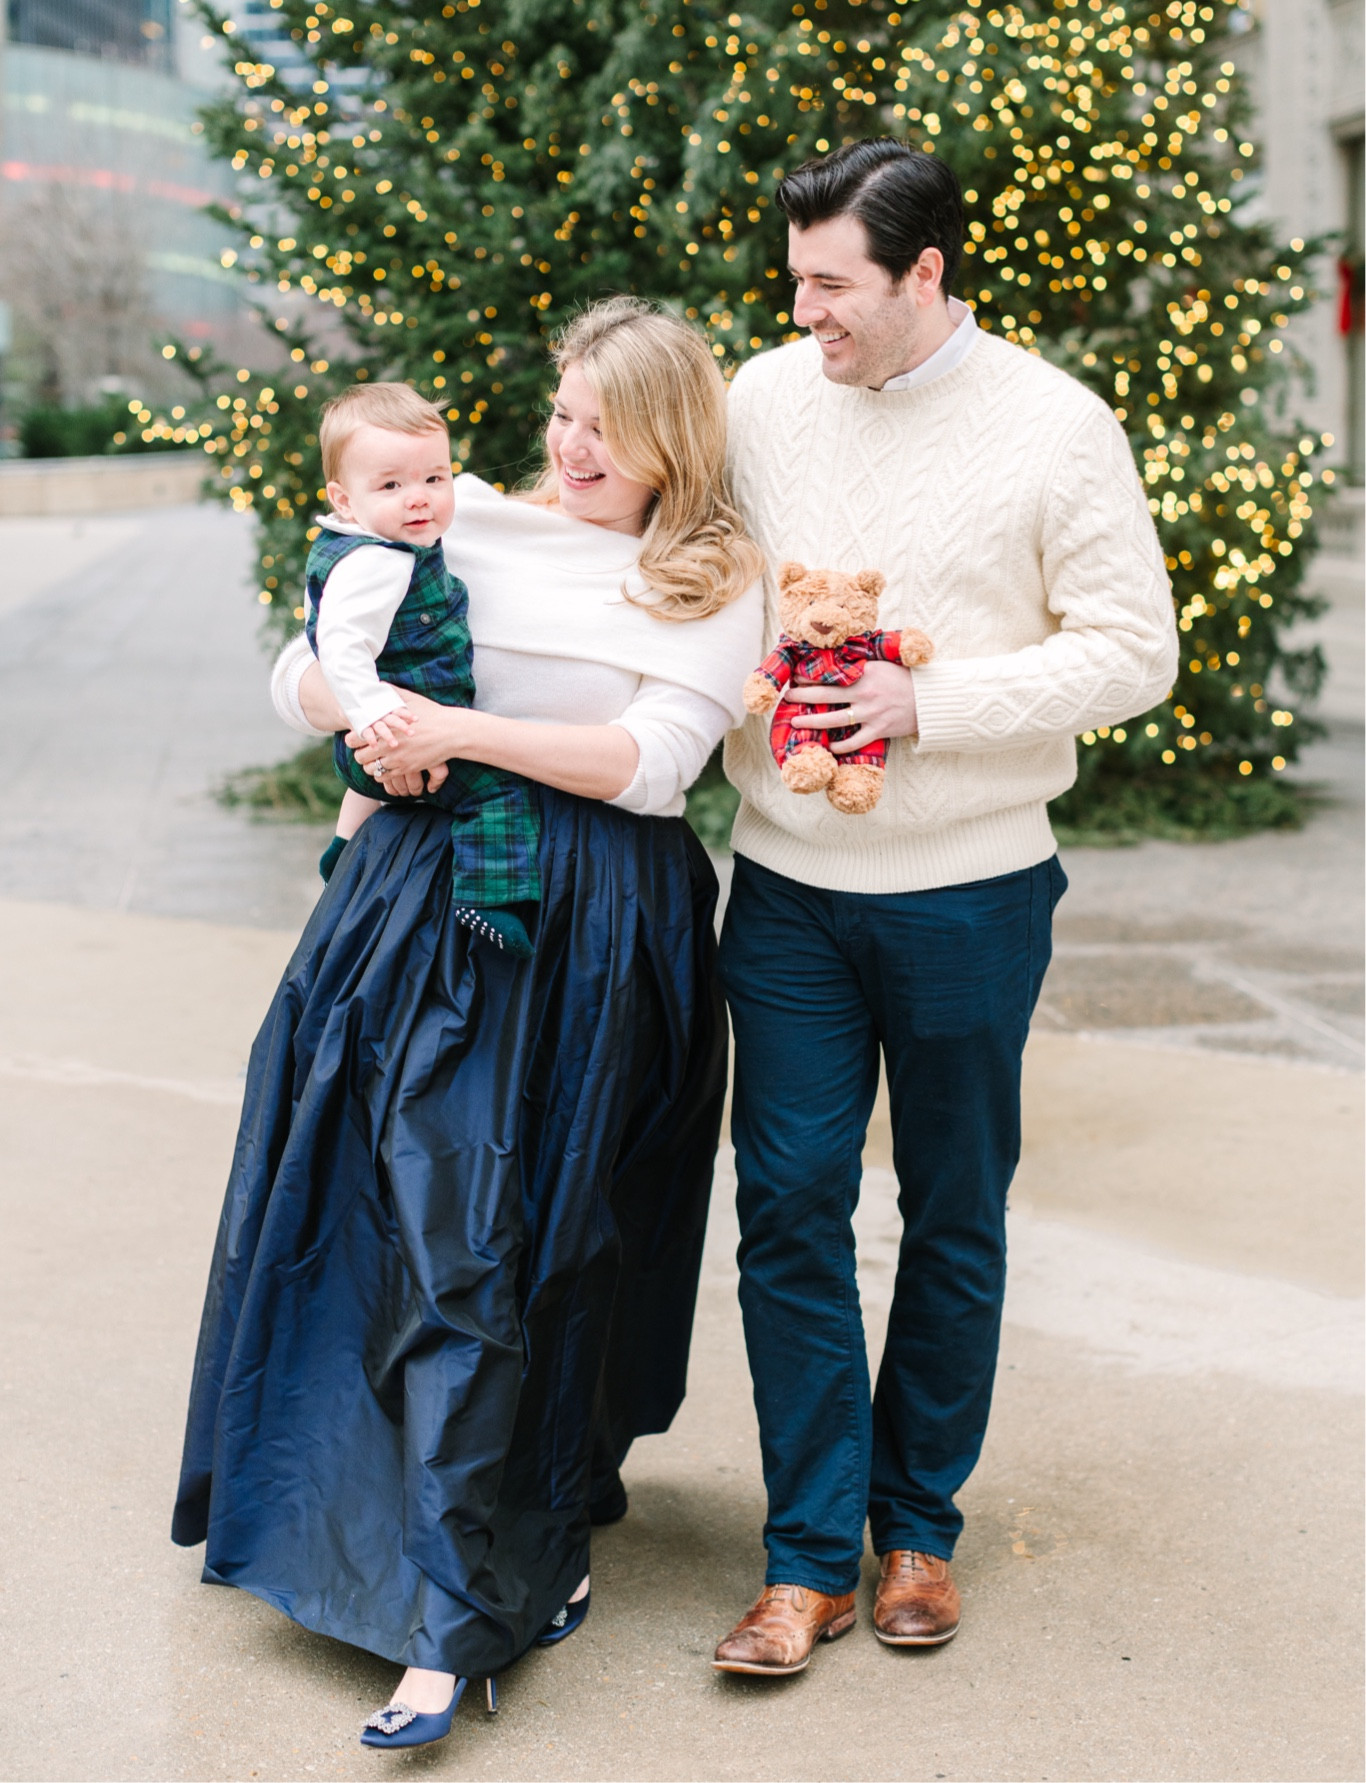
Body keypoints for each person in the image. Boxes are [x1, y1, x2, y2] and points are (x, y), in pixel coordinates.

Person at [172, 297, 764, 1750]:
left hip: (593, 924)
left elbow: (648, 766)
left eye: (602, 429)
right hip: (415, 897)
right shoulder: (467, 518)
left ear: (669, 443)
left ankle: (477, 1581)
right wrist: (355, 709)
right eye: (560, 412)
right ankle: (358, 1509)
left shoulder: (709, 575)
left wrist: (458, 733)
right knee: (384, 1201)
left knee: (524, 1233)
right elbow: (307, 651)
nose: (568, 447)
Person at [713, 139, 1178, 1676]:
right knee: (783, 1207)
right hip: (783, 885)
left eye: (833, 285)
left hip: (970, 892)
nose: (806, 314)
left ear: (923, 273)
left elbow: (1133, 650)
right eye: (794, 282)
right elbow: (669, 557)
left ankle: (915, 1527)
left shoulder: (1054, 424)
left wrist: (934, 701)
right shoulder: (762, 396)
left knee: (952, 1212)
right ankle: (803, 1555)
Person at [303, 381, 541, 957]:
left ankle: (342, 844)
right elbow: (338, 646)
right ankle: (488, 900)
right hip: (399, 734)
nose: (419, 498)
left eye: (435, 478)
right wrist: (377, 717)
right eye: (391, 485)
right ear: (344, 499)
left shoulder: (374, 540)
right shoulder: (378, 564)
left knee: (385, 782)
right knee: (495, 791)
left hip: (370, 742)